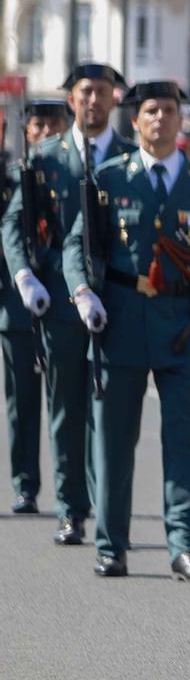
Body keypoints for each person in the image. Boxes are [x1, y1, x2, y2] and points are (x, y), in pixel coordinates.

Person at [63, 80, 190, 581]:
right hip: (120, 323)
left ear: (182, 121)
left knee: (185, 441)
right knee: (113, 442)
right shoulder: (109, 179)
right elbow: (77, 245)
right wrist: (82, 293)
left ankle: (184, 545)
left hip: (182, 327)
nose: (161, 118)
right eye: (151, 110)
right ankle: (112, 545)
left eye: (170, 110)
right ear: (134, 121)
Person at [4, 64, 133, 546]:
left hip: (114, 301)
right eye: (85, 92)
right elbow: (13, 226)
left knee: (112, 411)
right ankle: (70, 507)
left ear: (115, 98)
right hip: (58, 301)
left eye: (102, 92)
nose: (94, 100)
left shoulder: (129, 157)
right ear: (71, 99)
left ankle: (105, 509)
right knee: (66, 407)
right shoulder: (45, 159)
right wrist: (23, 277)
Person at [0, 107, 42, 516]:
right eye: (38, 126)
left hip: (56, 299)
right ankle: (25, 483)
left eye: (52, 126)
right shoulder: (10, 177)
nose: (45, 132)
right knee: (21, 402)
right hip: (13, 302)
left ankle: (80, 494)